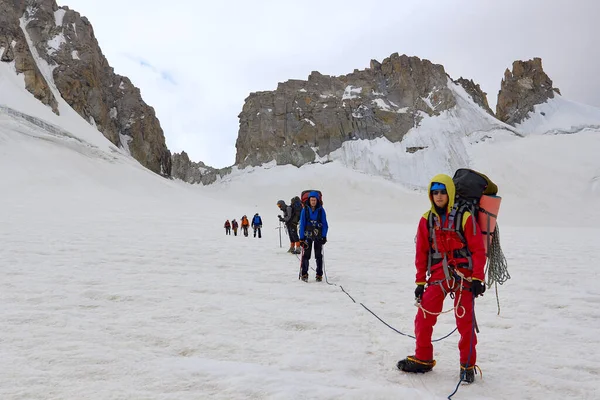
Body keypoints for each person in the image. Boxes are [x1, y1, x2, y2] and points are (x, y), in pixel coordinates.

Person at [397, 174, 486, 384]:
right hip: (438, 275)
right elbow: (421, 253)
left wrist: (477, 278)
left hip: (464, 276)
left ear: (449, 193)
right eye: (435, 192)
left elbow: (477, 249)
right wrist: (420, 283)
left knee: (465, 322)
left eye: (442, 192)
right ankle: (423, 358)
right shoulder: (426, 219)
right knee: (424, 316)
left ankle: (467, 366)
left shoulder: (465, 217)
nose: (438, 196)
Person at [299, 191, 328, 282]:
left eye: (314, 200)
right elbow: (302, 224)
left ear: (317, 200)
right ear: (309, 200)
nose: (313, 202)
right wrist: (301, 237)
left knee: (318, 255)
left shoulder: (321, 210)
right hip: (307, 236)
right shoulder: (305, 210)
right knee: (306, 255)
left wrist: (324, 236)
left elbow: (324, 224)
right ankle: (304, 273)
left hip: (318, 235)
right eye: (311, 200)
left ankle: (319, 274)